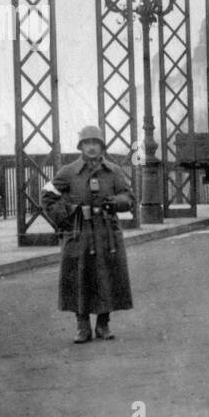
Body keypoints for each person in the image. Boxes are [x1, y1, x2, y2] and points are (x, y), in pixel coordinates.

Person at [41, 126, 134, 343]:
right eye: (87, 143)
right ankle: (82, 327)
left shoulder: (114, 171)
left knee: (107, 275)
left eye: (96, 143)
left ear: (102, 146)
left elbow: (128, 196)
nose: (91, 147)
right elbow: (47, 196)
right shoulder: (68, 171)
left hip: (106, 231)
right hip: (79, 232)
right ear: (81, 146)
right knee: (79, 277)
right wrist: (67, 216)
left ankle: (103, 324)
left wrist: (116, 202)